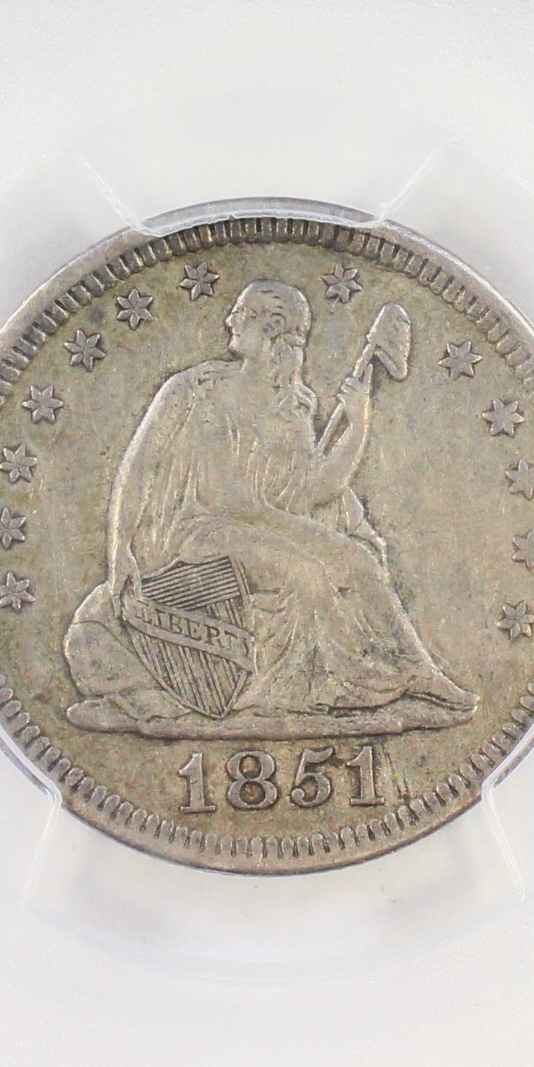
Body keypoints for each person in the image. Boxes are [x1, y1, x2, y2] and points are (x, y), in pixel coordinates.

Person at [63, 278, 476, 734]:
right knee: (305, 573)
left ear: (271, 327)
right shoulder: (193, 389)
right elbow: (138, 466)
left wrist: (358, 423)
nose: (229, 321)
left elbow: (317, 489)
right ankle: (330, 689)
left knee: (357, 562)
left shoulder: (294, 406)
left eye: (240, 313)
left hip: (261, 522)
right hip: (199, 532)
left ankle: (419, 672)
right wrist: (119, 548)